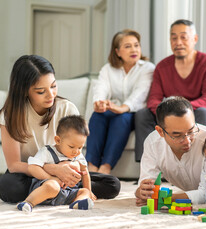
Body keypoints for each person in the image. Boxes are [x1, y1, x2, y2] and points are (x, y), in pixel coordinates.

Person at [0, 55, 120, 204]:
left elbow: (76, 153)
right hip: (29, 173)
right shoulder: (9, 115)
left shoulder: (67, 108)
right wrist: (52, 170)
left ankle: (52, 192)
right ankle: (65, 192)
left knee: (113, 184)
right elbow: (14, 165)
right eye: (40, 91)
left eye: (53, 86)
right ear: (24, 91)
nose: (51, 95)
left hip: (66, 169)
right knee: (8, 187)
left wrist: (68, 169)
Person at [134, 19, 206, 162]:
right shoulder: (162, 66)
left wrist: (181, 110)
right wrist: (169, 112)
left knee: (202, 112)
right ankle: (148, 166)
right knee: (142, 114)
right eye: (174, 38)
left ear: (195, 39)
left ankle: (198, 163)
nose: (178, 42)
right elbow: (153, 99)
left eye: (183, 37)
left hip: (199, 111)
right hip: (172, 114)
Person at [86, 30, 155, 174]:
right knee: (97, 116)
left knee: (121, 119)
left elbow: (140, 93)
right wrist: (99, 102)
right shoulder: (108, 69)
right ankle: (91, 167)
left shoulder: (147, 68)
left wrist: (122, 108)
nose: (134, 49)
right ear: (117, 51)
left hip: (134, 112)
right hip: (113, 108)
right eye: (128, 46)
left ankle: (106, 168)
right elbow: (101, 87)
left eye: (136, 45)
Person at [17, 115, 96, 212]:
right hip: (47, 188)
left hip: (68, 192)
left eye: (80, 147)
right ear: (58, 140)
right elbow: (32, 167)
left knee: (85, 192)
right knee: (52, 187)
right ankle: (28, 202)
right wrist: (50, 178)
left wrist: (89, 190)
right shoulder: (47, 152)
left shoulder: (78, 156)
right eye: (71, 147)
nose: (76, 151)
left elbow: (85, 172)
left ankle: (78, 203)